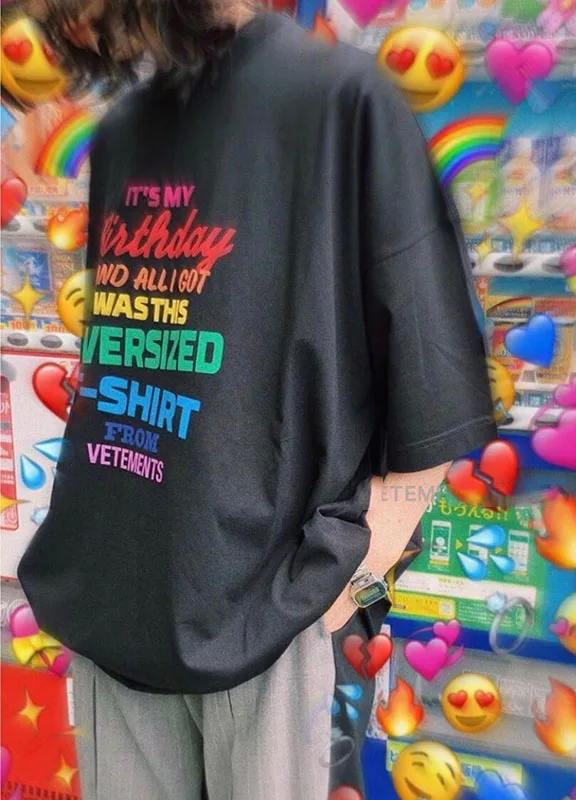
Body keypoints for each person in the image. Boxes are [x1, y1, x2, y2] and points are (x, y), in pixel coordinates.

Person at [17, 2, 496, 798]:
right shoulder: (126, 130)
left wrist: (353, 584)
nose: (59, 26)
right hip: (113, 604)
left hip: (276, 619)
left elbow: (436, 386)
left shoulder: (343, 102)